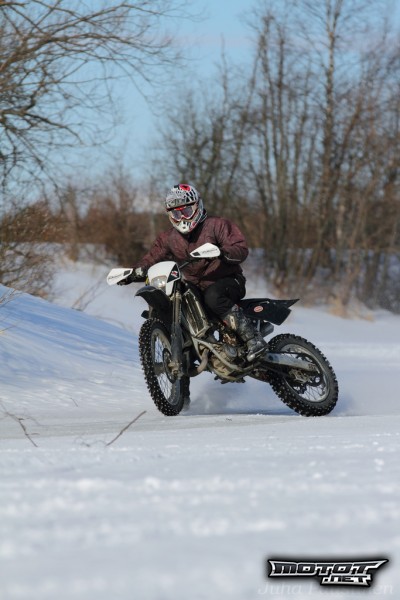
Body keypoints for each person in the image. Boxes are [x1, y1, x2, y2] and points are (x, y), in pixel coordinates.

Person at [119, 183, 267, 361]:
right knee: (177, 298)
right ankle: (190, 351)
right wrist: (132, 273)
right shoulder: (168, 238)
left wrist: (221, 252)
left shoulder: (217, 225)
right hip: (195, 285)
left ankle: (253, 339)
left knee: (213, 296)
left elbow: (240, 249)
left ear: (197, 206)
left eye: (186, 211)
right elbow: (151, 258)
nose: (182, 217)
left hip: (227, 280)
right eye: (176, 214)